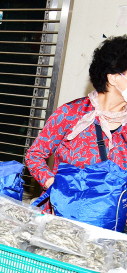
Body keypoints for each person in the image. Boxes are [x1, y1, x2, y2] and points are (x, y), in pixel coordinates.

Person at [26, 36, 127, 193]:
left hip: (111, 216)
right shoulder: (71, 114)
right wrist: (56, 188)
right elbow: (35, 156)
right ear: (113, 78)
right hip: (64, 214)